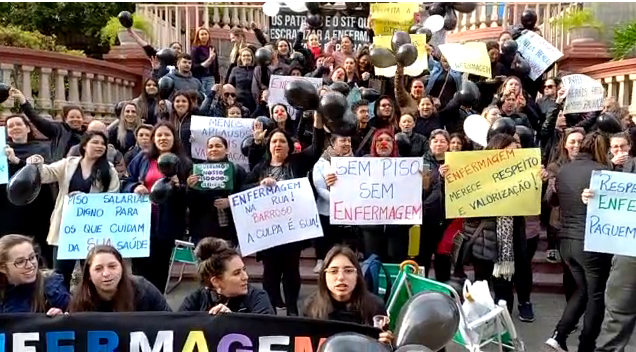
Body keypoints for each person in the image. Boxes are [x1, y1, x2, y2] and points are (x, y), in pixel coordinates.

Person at [243, 110, 325, 316]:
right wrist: (259, 184)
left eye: (282, 141)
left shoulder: (296, 163)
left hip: (292, 232)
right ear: (269, 147)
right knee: (270, 273)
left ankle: (292, 309)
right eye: (273, 142)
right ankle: (271, 308)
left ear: (289, 147)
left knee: (291, 271)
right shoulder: (261, 167)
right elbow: (244, 188)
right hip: (268, 232)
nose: (277, 144)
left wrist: (317, 123)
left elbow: (316, 149)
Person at [545, 131, 613, 352]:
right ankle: (586, 346)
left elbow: (552, 200)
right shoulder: (603, 172)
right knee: (595, 295)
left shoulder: (564, 170)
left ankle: (559, 335)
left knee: (582, 290)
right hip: (590, 244)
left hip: (566, 242)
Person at [26, 131, 120, 289]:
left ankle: (90, 309)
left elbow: (113, 198)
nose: (100, 146)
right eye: (95, 142)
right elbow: (46, 174)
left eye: (103, 144)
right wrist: (36, 164)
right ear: (84, 145)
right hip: (66, 229)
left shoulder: (109, 170)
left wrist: (86, 200)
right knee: (60, 274)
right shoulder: (68, 163)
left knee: (91, 274)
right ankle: (61, 307)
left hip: (93, 231)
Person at [123, 121, 192, 291]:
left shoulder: (184, 162)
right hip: (141, 224)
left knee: (160, 269)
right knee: (139, 269)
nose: (163, 138)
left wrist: (180, 187)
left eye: (167, 135)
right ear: (153, 139)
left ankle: (157, 305)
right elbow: (126, 180)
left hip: (167, 224)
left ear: (174, 138)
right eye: (159, 135)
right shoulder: (143, 158)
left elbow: (189, 197)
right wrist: (134, 187)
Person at [303, 246, 392, 344]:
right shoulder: (311, 306)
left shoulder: (375, 306)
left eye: (348, 271)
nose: (341, 277)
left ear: (357, 275)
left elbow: (383, 344)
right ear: (324, 276)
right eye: (333, 271)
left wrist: (387, 343)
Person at [1, 115, 55, 264]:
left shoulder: (40, 148)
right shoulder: (2, 149)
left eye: (19, 124)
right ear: (8, 132)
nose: (15, 128)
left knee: (42, 240)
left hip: (37, 203)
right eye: (10, 126)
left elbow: (43, 172)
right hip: (9, 205)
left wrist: (17, 161)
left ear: (28, 128)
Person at [179, 237, 274, 314]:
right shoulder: (196, 300)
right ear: (216, 281)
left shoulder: (258, 298)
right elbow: (177, 328)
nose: (245, 277)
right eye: (236, 273)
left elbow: (266, 332)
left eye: (244, 269)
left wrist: (232, 322)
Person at [68, 245, 171, 312]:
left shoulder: (144, 290)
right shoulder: (80, 300)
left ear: (122, 268)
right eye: (98, 269)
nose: (106, 273)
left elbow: (169, 320)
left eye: (112, 266)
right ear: (89, 275)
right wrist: (57, 318)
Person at [186, 136, 247, 245]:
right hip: (203, 232)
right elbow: (191, 204)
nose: (213, 149)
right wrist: (190, 188)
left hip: (229, 231)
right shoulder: (196, 172)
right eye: (210, 147)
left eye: (218, 146)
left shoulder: (238, 171)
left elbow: (246, 197)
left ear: (227, 149)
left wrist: (230, 202)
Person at [312, 134, 355, 272]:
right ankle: (320, 260)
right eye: (343, 140)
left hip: (348, 210)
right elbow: (319, 187)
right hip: (326, 209)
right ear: (333, 143)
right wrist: (337, 199)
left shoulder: (357, 163)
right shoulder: (322, 163)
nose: (347, 143)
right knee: (325, 237)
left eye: (349, 140)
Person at [11, 87, 87, 162]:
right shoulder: (58, 130)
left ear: (83, 119)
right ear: (65, 119)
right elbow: (38, 120)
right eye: (72, 117)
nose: (75, 120)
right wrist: (23, 101)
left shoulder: (88, 134)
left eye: (78, 117)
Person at [0, 234, 70, 313]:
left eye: (32, 257)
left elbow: (74, 314)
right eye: (20, 262)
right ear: (2, 268)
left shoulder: (52, 286)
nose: (30, 265)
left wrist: (62, 316)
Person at [190, 27, 220, 93]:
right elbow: (193, 66)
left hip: (211, 77)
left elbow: (216, 65)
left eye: (206, 34)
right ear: (198, 36)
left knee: (210, 97)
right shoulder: (195, 49)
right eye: (202, 34)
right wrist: (208, 60)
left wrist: (217, 80)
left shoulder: (212, 48)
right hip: (200, 77)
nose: (204, 36)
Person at [228, 47, 257, 112]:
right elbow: (230, 85)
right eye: (244, 56)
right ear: (240, 58)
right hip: (238, 101)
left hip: (253, 101)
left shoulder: (256, 69)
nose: (246, 57)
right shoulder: (235, 69)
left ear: (252, 57)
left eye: (248, 55)